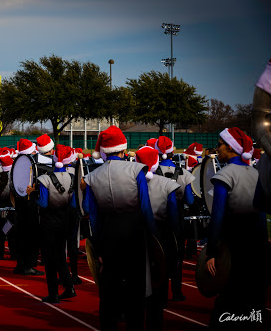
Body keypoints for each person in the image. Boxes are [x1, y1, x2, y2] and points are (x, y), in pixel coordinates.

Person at [81, 126, 157, 330]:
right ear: (123, 150)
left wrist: (97, 247)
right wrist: (153, 239)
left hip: (107, 236)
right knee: (136, 291)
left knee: (108, 292)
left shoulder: (92, 177)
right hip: (134, 234)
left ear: (104, 151)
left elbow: (92, 214)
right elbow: (145, 208)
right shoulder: (136, 170)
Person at [205, 127, 269, 330]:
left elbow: (217, 218)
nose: (217, 148)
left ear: (231, 147)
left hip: (234, 248)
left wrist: (211, 252)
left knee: (228, 302)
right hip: (257, 246)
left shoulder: (224, 174)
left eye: (220, 144)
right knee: (254, 299)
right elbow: (261, 213)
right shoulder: (256, 173)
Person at [135, 146, 181, 331]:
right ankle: (156, 320)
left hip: (136, 237)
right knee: (159, 281)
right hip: (161, 237)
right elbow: (174, 219)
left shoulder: (131, 182)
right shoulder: (168, 184)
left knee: (136, 284)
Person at [27, 144, 77, 303]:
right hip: (65, 220)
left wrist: (31, 194)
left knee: (49, 258)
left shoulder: (44, 179)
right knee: (61, 255)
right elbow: (74, 204)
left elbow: (42, 203)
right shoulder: (73, 178)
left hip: (49, 221)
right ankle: (69, 287)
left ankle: (53, 293)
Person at [153, 135, 194, 302]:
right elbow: (190, 200)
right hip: (177, 220)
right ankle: (177, 291)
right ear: (172, 152)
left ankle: (159, 293)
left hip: (157, 219)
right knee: (176, 256)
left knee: (158, 257)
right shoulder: (184, 173)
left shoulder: (153, 173)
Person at [12, 139, 45, 276]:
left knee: (21, 235)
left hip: (19, 203)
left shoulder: (16, 164)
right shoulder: (31, 164)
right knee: (31, 236)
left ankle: (20, 264)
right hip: (29, 204)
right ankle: (29, 265)